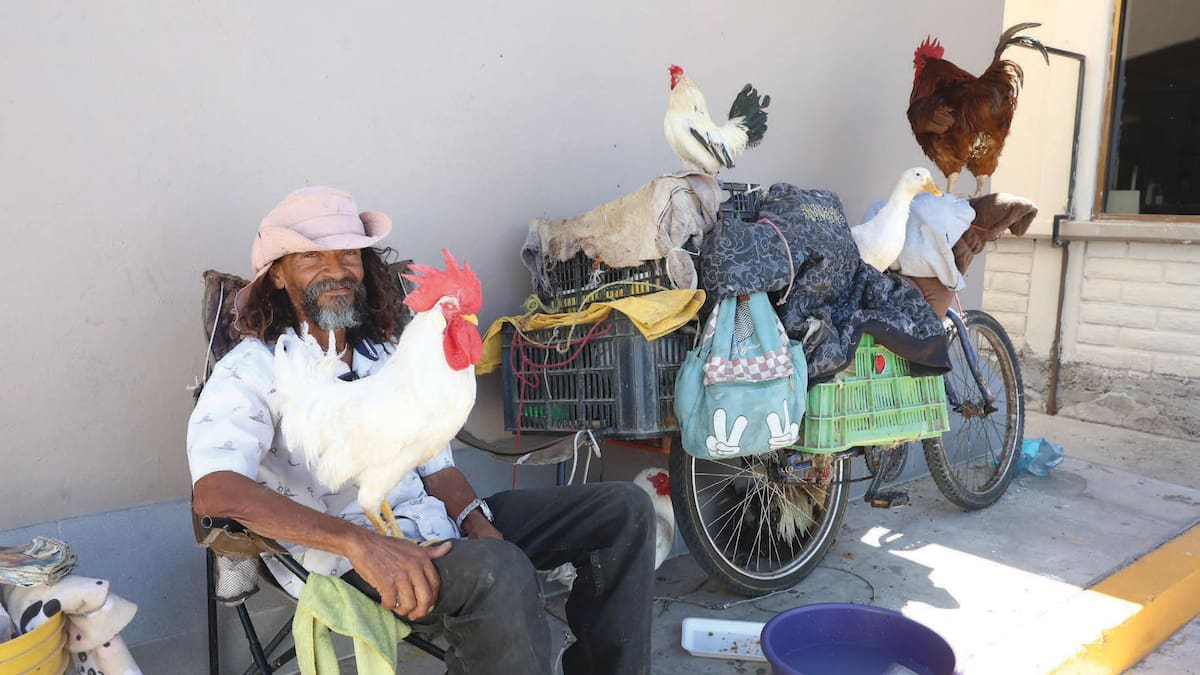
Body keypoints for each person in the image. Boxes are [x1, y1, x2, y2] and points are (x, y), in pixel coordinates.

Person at [188, 186, 656, 674]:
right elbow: (215, 491)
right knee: (498, 572)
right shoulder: (254, 368)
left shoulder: (387, 352)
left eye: (348, 254)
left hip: (435, 528)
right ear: (278, 275)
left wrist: (477, 521)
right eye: (310, 257)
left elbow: (437, 467)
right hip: (348, 558)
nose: (335, 270)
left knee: (623, 510)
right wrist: (360, 543)